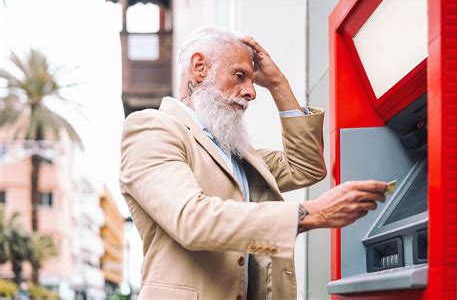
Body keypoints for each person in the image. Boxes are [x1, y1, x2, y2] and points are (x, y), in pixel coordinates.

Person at [119, 26, 388, 300]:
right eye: (239, 76)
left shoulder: (234, 151)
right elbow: (191, 218)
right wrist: (310, 214)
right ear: (199, 68)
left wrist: (277, 83)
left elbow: (306, 167)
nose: (251, 92)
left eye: (252, 80)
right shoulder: (150, 129)